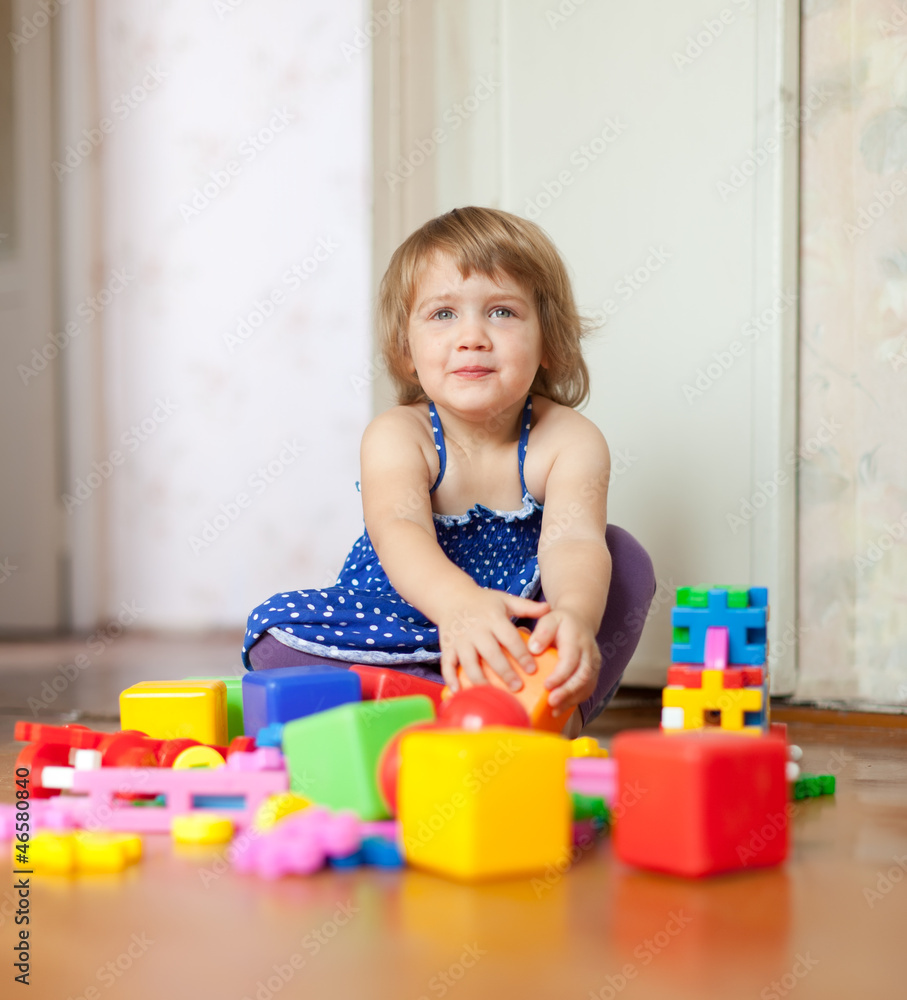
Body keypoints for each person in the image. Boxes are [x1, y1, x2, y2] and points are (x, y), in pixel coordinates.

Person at [242, 207, 655, 735]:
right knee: (274, 638)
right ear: (405, 349)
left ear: (549, 340)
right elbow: (399, 529)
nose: (472, 336)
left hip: (516, 632)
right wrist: (459, 607)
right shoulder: (399, 434)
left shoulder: (568, 439)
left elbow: (573, 542)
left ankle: (555, 710)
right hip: (399, 625)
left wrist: (574, 615)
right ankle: (443, 705)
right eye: (443, 314)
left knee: (623, 558)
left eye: (502, 312)